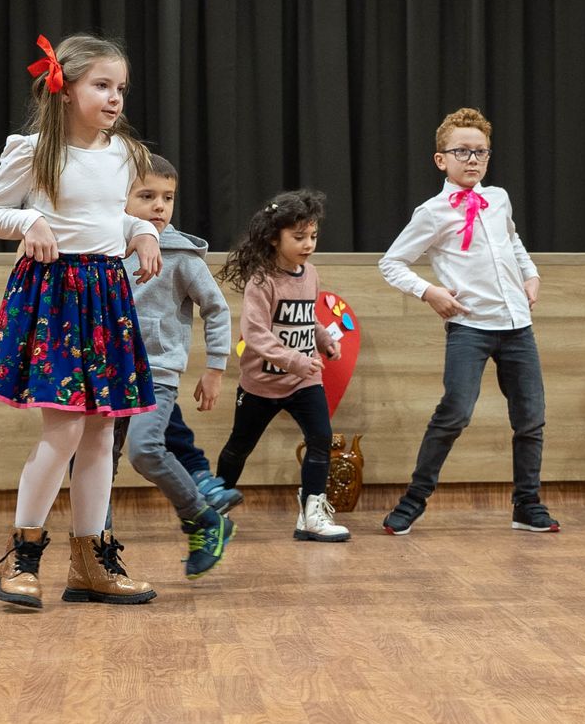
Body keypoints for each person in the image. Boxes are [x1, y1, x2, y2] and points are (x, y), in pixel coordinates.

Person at [0, 34, 160, 609]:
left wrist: (143, 231)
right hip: (55, 295)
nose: (115, 98)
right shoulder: (33, 150)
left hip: (105, 295)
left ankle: (90, 562)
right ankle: (23, 558)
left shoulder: (124, 152)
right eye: (102, 85)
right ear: (64, 90)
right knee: (63, 431)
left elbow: (109, 218)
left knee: (102, 432)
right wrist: (28, 221)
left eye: (121, 88)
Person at [377, 107, 558, 536]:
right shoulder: (432, 212)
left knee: (531, 418)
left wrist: (530, 274)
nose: (473, 159)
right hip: (470, 327)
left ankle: (527, 504)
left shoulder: (499, 199)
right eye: (462, 151)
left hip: (517, 326)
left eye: (481, 152)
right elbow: (391, 262)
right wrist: (429, 292)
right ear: (441, 159)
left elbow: (513, 239)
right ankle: (413, 500)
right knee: (455, 411)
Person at [119, 155, 237, 578]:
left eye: (167, 197)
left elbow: (217, 310)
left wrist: (215, 368)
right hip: (105, 376)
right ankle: (96, 552)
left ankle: (203, 518)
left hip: (157, 374)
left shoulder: (183, 257)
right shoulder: (104, 250)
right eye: (146, 195)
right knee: (92, 464)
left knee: (145, 450)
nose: (159, 205)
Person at [216, 189, 349, 543]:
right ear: (275, 238)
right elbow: (255, 334)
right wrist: (296, 360)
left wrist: (324, 339)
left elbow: (306, 317)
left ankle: (311, 515)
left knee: (321, 439)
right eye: (299, 237)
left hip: (303, 382)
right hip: (261, 384)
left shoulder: (311, 274)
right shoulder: (262, 280)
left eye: (313, 236)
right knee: (239, 447)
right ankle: (214, 510)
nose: (309, 244)